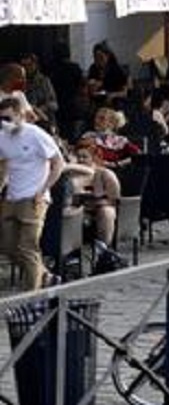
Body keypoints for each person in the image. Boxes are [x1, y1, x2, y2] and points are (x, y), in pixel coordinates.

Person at [0, 96, 65, 290]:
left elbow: (58, 163)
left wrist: (43, 190)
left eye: (8, 118)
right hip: (12, 196)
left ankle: (31, 298)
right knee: (8, 246)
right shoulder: (2, 137)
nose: (5, 123)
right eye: (1, 119)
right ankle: (44, 275)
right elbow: (3, 165)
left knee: (28, 248)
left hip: (34, 197)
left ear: (21, 115)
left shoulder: (36, 134)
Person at [64, 142, 121, 244]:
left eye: (85, 157)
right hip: (77, 210)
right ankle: (68, 252)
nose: (81, 160)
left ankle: (103, 249)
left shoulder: (105, 174)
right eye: (78, 156)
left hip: (99, 209)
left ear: (94, 158)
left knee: (107, 212)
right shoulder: (71, 175)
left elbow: (115, 200)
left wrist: (98, 202)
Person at [49, 42, 86, 142]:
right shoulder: (74, 67)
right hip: (73, 105)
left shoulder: (52, 69)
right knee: (74, 137)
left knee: (60, 136)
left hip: (59, 105)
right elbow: (82, 86)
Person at [20, 54, 57, 129]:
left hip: (44, 121)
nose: (27, 68)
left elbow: (54, 104)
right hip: (26, 122)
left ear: (35, 65)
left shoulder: (44, 81)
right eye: (24, 65)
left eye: (30, 65)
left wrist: (40, 109)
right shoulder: (19, 82)